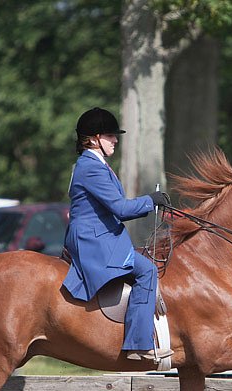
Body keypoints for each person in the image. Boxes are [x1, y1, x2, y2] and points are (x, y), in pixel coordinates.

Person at [62, 107, 172, 361]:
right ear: (93, 139)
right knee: (147, 271)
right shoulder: (91, 167)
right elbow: (120, 209)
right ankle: (138, 344)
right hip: (95, 241)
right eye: (110, 135)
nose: (116, 140)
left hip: (101, 236)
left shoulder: (96, 165)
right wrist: (150, 201)